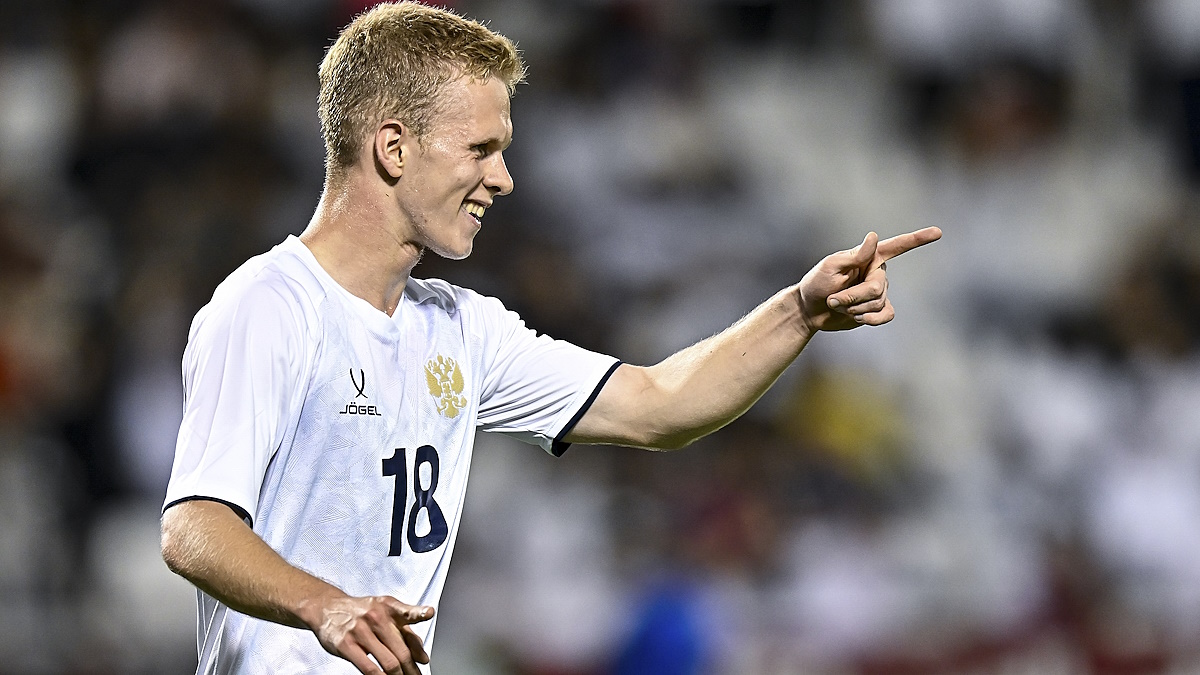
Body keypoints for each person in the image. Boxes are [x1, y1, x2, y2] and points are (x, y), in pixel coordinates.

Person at [158, 3, 941, 674]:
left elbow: (658, 405)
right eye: (480, 149)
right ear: (393, 147)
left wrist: (799, 312)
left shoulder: (461, 327)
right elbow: (193, 526)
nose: (503, 178)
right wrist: (325, 605)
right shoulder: (270, 305)